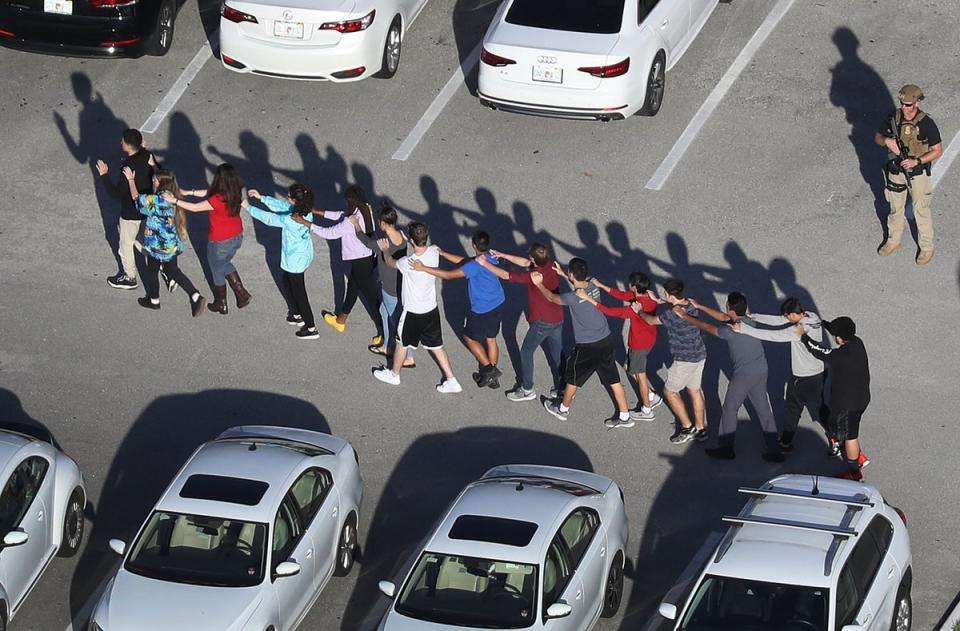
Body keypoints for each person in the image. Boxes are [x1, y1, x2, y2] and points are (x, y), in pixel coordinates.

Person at [674, 293, 783, 462]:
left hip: (744, 376)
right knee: (763, 408)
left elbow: (707, 327)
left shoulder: (730, 331)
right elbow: (724, 317)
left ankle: (726, 448)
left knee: (730, 409)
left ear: (730, 307)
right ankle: (774, 449)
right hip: (761, 370)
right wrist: (699, 306)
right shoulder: (748, 320)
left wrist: (685, 316)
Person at [532, 259, 633, 428]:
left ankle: (562, 409)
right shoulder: (592, 284)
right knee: (613, 379)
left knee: (572, 378)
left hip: (587, 346)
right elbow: (578, 281)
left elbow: (551, 297)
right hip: (605, 339)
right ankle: (625, 416)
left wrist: (539, 284)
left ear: (572, 275)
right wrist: (563, 273)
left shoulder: (571, 298)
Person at [730, 297, 830, 452]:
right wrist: (754, 316)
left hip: (802, 377)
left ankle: (786, 442)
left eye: (787, 316)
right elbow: (778, 320)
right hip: (820, 372)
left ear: (792, 314)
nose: (786, 319)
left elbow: (773, 335)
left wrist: (744, 329)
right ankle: (837, 437)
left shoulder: (798, 330)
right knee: (820, 406)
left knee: (792, 409)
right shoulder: (812, 316)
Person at [372, 222, 461, 394]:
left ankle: (394, 374)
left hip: (412, 312)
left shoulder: (408, 262)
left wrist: (384, 249)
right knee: (436, 346)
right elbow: (425, 247)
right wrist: (411, 239)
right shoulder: (434, 250)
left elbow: (390, 262)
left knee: (401, 342)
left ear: (412, 240)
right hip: (431, 309)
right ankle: (452, 380)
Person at [411, 231, 506, 389]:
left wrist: (423, 268)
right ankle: (491, 376)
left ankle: (489, 371)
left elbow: (449, 275)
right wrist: (442, 253)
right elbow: (465, 261)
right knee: (491, 339)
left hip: (482, 309)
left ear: (474, 245)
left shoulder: (474, 266)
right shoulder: (489, 256)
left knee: (469, 337)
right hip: (498, 302)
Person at [476, 243, 564, 401]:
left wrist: (485, 263)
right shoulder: (550, 265)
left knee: (526, 352)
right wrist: (502, 254)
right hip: (557, 317)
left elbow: (505, 275)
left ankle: (527, 389)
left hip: (542, 322)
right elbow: (525, 263)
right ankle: (562, 387)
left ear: (534, 259)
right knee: (557, 353)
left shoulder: (534, 276)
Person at [120, 166, 206, 317]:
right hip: (172, 243)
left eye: (154, 179)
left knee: (152, 271)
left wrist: (131, 179)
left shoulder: (158, 200)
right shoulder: (171, 195)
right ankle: (195, 295)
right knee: (172, 270)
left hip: (157, 246)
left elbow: (136, 199)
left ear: (159, 181)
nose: (152, 180)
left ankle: (154, 300)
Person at [875, 84, 944, 265]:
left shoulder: (926, 123)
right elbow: (877, 137)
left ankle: (927, 247)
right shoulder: (894, 118)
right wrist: (887, 141)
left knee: (921, 209)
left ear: (917, 103)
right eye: (903, 104)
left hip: (917, 173)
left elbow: (937, 150)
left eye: (909, 105)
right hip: (896, 170)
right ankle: (893, 241)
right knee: (895, 207)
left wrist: (917, 161)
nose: (905, 108)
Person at [796, 316, 871, 480]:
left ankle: (854, 471)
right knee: (849, 428)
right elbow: (839, 331)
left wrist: (803, 335)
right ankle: (857, 455)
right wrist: (823, 323)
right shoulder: (858, 342)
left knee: (850, 436)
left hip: (847, 405)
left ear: (839, 337)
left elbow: (818, 350)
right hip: (862, 398)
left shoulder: (839, 356)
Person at [170, 163, 251, 314]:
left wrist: (174, 200)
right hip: (236, 235)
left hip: (220, 240)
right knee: (223, 263)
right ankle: (241, 293)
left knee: (216, 269)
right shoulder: (234, 191)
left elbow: (195, 208)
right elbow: (209, 192)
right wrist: (189, 192)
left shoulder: (217, 199)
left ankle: (221, 303)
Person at [308, 186, 384, 346]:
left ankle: (385, 333)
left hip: (361, 262)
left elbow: (329, 233)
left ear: (351, 202)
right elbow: (341, 216)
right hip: (368, 258)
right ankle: (340, 320)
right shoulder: (366, 208)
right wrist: (318, 212)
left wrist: (307, 224)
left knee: (372, 299)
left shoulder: (351, 221)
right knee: (353, 288)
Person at [583, 273, 664, 421]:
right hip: (648, 339)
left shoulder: (634, 308)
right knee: (629, 367)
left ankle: (647, 410)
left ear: (634, 287)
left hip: (639, 344)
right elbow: (621, 295)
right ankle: (651, 396)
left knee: (641, 375)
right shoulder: (647, 297)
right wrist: (601, 285)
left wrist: (589, 299)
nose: (628, 284)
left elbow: (610, 311)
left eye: (630, 283)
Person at [246, 184, 319, 340]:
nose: (287, 198)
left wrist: (247, 206)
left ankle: (311, 327)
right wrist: (261, 198)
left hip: (294, 262)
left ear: (294, 200)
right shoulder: (305, 210)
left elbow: (269, 218)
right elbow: (282, 206)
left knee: (300, 294)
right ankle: (296, 313)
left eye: (289, 196)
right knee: (286, 281)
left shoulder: (290, 219)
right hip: (303, 256)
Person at [641, 280, 708, 444]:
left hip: (684, 360)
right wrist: (659, 300)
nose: (664, 295)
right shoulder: (690, 304)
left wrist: (640, 311)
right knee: (694, 390)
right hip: (699, 354)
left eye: (665, 294)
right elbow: (676, 305)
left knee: (670, 392)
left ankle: (687, 427)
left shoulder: (672, 315)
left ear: (671, 295)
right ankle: (700, 429)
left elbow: (651, 321)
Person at [349, 202, 415, 367]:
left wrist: (356, 224)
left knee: (398, 321)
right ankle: (386, 345)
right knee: (383, 311)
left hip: (390, 288)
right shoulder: (402, 235)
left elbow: (364, 240)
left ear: (383, 223)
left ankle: (408, 356)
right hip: (401, 284)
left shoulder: (383, 243)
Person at [95, 128, 155, 290]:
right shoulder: (148, 156)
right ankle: (161, 262)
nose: (120, 142)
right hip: (147, 208)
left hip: (131, 213)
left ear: (128, 146)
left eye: (122, 141)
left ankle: (129, 277)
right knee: (141, 239)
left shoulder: (127, 168)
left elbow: (116, 194)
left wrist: (104, 175)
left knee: (126, 245)